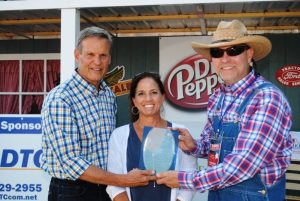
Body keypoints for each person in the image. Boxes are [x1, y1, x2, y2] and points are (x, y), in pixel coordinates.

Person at [156, 20, 293, 201]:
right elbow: (214, 147)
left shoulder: (267, 98)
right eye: (217, 52)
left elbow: (245, 164)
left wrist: (183, 179)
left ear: (249, 54)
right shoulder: (217, 97)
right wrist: (194, 146)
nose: (225, 59)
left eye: (234, 50)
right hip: (218, 192)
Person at [41, 27, 155, 201]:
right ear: (77, 55)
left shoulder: (107, 94)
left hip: (106, 187)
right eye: (90, 55)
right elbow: (71, 162)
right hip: (72, 191)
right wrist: (124, 180)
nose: (97, 62)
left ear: (109, 58)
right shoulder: (61, 98)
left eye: (103, 55)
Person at [106, 72, 197, 201]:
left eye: (154, 92)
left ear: (162, 96)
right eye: (141, 93)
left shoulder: (180, 132)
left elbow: (190, 178)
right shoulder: (119, 135)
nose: (148, 98)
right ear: (134, 100)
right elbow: (114, 184)